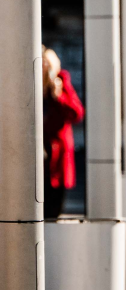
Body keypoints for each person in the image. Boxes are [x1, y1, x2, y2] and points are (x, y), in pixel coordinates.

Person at [41, 47, 84, 219]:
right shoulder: (30, 83)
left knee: (54, 202)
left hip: (56, 152)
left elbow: (76, 113)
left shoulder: (61, 81)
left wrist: (58, 96)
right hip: (38, 148)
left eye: (47, 65)